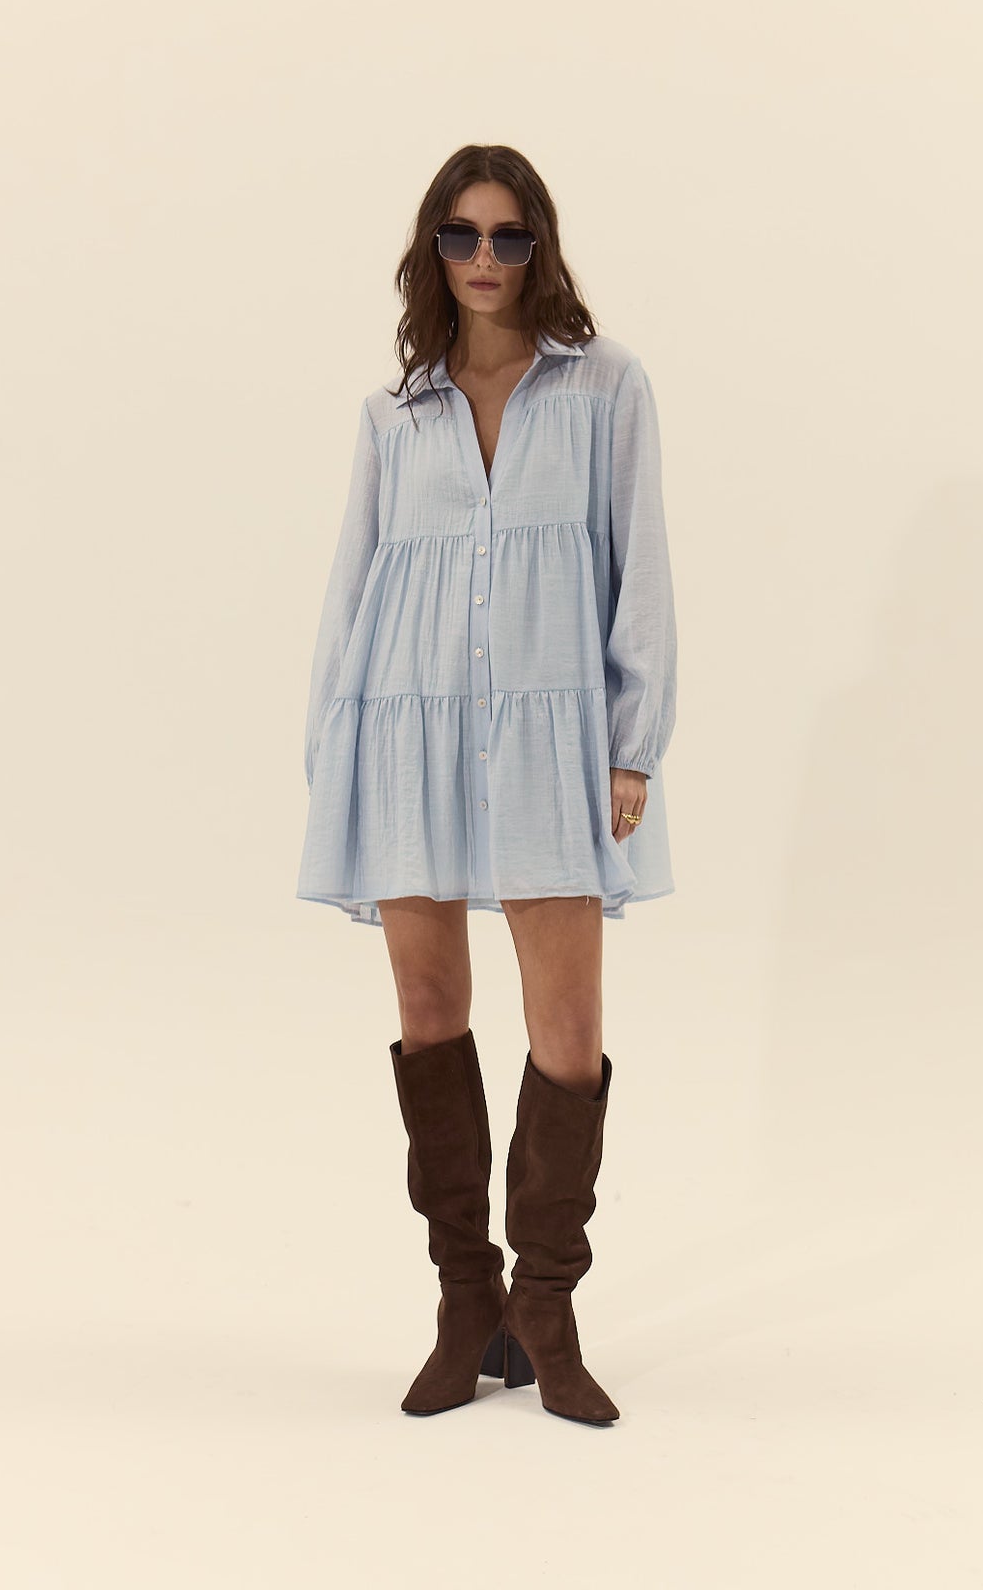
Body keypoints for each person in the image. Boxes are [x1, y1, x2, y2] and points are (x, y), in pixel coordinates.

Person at [295, 143, 678, 1425]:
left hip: (550, 738)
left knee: (566, 1031)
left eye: (509, 236)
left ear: (539, 247)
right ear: (433, 249)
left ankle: (545, 1305)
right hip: (405, 731)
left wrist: (632, 742)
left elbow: (640, 567)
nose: (484, 259)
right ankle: (469, 1301)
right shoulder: (394, 412)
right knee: (428, 1007)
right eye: (461, 235)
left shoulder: (606, 387)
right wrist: (332, 755)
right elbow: (353, 588)